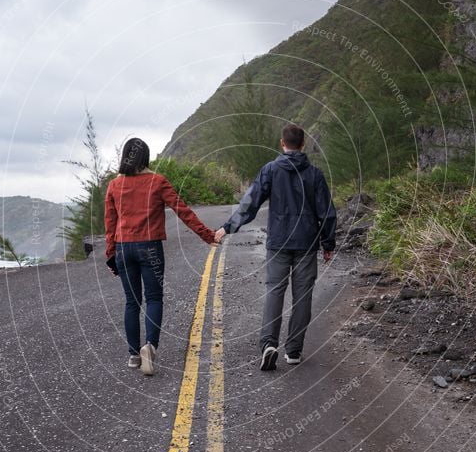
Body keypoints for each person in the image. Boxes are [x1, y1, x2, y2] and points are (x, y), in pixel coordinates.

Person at [215, 124, 336, 370]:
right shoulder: (315, 175)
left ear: (282, 143)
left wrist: (227, 227)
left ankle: (269, 344)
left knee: (274, 292)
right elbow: (327, 213)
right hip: (306, 243)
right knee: (302, 296)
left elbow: (250, 203)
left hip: (279, 242)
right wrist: (327, 243)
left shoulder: (270, 170)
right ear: (302, 145)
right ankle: (293, 351)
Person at [105, 137, 217, 375]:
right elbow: (183, 211)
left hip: (124, 248)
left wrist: (111, 254)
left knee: (131, 302)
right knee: (154, 298)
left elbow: (109, 223)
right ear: (145, 157)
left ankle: (134, 355)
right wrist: (208, 236)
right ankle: (150, 347)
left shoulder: (114, 186)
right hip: (149, 247)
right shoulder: (157, 182)